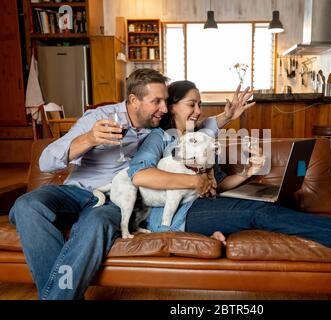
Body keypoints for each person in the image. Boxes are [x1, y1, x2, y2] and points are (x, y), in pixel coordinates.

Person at [8, 69, 253, 300]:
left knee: (96, 224)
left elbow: (194, 125)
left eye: (166, 101)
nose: (164, 108)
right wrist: (89, 139)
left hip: (113, 200)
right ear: (134, 100)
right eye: (157, 101)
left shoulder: (157, 131)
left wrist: (226, 116)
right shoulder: (99, 118)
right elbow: (46, 161)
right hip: (75, 191)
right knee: (27, 205)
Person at [128, 80, 331, 260]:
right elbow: (139, 176)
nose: (198, 111)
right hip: (178, 214)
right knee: (261, 214)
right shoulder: (160, 138)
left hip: (206, 205)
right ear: (173, 106)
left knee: (273, 202)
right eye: (191, 105)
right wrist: (195, 181)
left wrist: (247, 172)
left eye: (200, 105)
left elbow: (217, 186)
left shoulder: (206, 141)